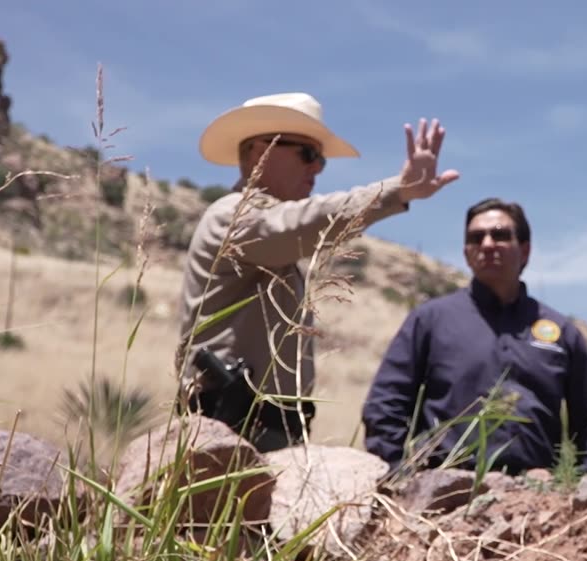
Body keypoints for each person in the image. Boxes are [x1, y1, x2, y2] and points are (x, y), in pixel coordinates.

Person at [177, 93, 458, 451]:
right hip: (230, 430)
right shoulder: (231, 216)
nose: (316, 169)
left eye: (321, 160)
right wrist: (396, 191)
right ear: (260, 151)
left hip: (263, 430)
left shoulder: (255, 223)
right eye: (307, 155)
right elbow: (303, 222)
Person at [361, 198, 587, 475]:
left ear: (525, 251)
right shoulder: (430, 321)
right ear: (467, 253)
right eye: (476, 237)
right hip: (442, 491)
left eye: (501, 235)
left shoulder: (561, 332)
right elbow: (386, 403)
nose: (488, 244)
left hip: (535, 494)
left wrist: (582, 485)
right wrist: (398, 474)